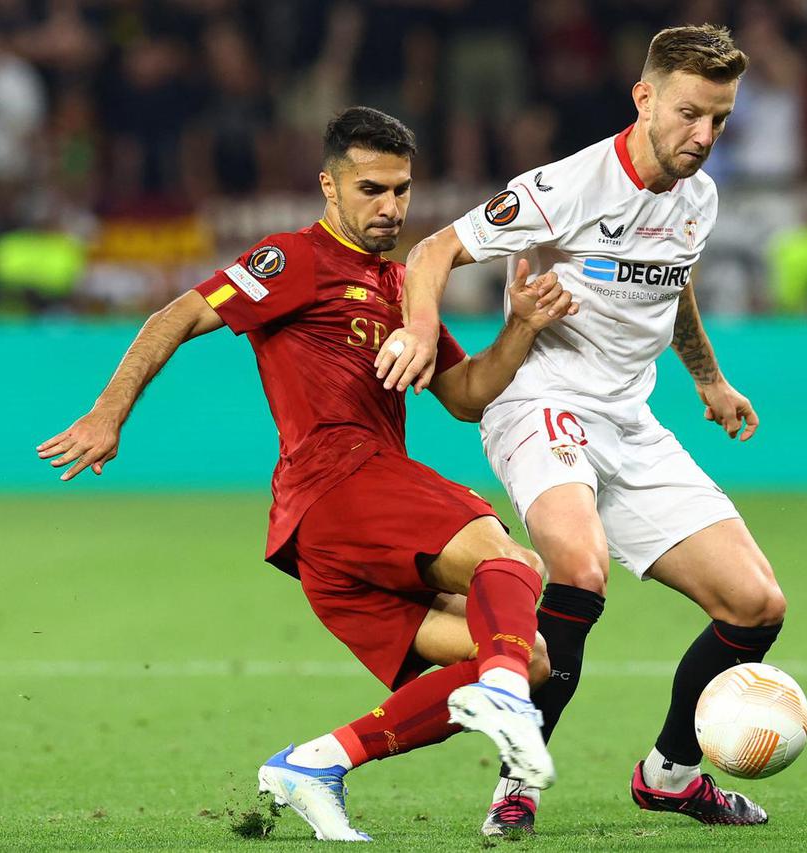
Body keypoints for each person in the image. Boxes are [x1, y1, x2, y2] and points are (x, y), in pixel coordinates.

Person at [36, 107, 579, 842]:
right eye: (371, 189)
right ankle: (508, 701)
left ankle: (316, 763)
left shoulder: (398, 287)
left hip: (330, 538)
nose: (390, 207)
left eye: (402, 190)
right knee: (510, 560)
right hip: (338, 480)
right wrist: (108, 414)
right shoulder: (292, 260)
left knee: (528, 654)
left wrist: (518, 328)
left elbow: (464, 396)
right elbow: (175, 315)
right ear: (329, 185)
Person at [377, 25, 787, 835]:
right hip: (539, 400)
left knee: (756, 605)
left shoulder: (696, 197)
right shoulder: (564, 187)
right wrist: (422, 331)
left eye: (721, 120)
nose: (702, 136)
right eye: (689, 113)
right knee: (579, 567)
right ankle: (517, 781)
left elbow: (674, 287)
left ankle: (669, 774)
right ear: (644, 98)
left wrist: (706, 376)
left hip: (629, 419)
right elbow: (429, 252)